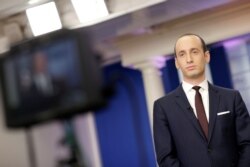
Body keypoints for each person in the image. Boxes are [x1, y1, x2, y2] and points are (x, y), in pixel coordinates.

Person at [153, 33, 250, 167]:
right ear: (177, 63)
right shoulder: (162, 107)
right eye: (182, 54)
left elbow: (247, 144)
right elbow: (165, 158)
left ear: (206, 56)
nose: (189, 59)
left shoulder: (231, 98)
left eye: (194, 52)